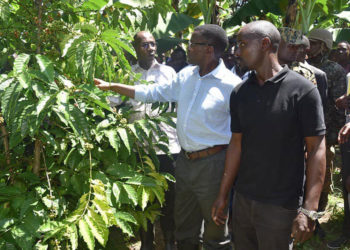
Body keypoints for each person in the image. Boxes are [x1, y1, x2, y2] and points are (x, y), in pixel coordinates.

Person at [94, 24, 241, 250]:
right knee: (185, 228)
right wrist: (114, 86)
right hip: (184, 162)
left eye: (193, 44)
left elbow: (240, 137)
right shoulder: (186, 76)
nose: (188, 48)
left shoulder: (232, 86)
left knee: (215, 231)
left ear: (209, 49)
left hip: (213, 165)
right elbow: (153, 93)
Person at [212, 20, 326, 250]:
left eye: (243, 44)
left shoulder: (302, 91)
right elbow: (236, 144)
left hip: (279, 206)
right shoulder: (241, 92)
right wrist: (223, 195)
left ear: (264, 44)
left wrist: (309, 210)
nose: (237, 51)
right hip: (244, 200)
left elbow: (316, 150)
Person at [109, 31, 179, 250]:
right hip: (140, 149)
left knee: (169, 200)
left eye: (153, 44)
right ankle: (147, 243)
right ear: (135, 48)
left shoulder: (169, 73)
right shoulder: (127, 76)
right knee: (143, 201)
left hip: (168, 148)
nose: (151, 48)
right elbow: (111, 103)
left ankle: (169, 242)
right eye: (145, 45)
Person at [307, 29, 347, 219]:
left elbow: (338, 106)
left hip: (324, 132)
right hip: (301, 132)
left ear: (323, 46)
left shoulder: (334, 70)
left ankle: (318, 212)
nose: (309, 47)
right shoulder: (300, 66)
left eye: (314, 43)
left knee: (322, 174)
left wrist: (333, 137)